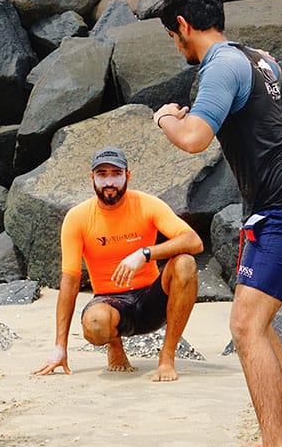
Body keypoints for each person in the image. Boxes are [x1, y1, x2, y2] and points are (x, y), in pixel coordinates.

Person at [151, 0, 282, 447]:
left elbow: (193, 139)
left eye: (172, 36)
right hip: (280, 209)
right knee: (260, 325)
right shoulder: (254, 58)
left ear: (183, 25)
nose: (176, 46)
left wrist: (165, 118)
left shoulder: (220, 66)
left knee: (246, 327)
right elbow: (265, 84)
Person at [33, 146, 203, 381]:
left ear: (127, 176)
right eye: (102, 174)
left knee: (185, 263)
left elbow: (194, 241)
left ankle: (167, 357)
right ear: (92, 177)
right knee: (95, 324)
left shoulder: (147, 204)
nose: (109, 181)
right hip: (110, 302)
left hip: (151, 299)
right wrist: (59, 348)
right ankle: (114, 345)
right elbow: (70, 282)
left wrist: (145, 253)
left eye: (116, 173)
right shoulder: (77, 218)